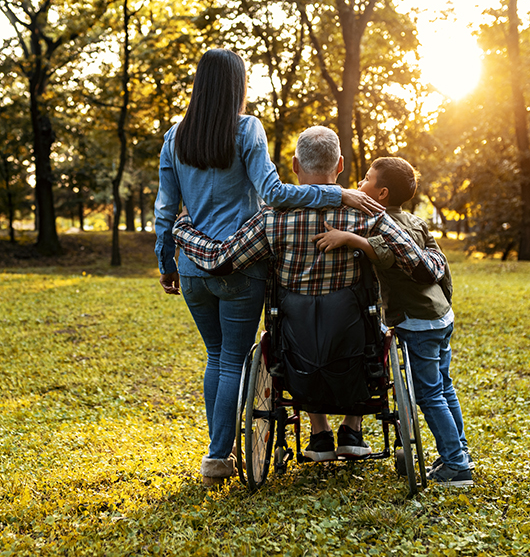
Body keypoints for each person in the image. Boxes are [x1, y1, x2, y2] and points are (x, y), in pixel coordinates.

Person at [153, 50, 382, 488]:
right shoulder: (245, 129)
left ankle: (218, 453)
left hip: (194, 265)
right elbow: (274, 193)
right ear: (237, 85)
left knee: (216, 357)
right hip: (241, 263)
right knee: (232, 360)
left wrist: (167, 263)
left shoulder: (174, 137)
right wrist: (337, 196)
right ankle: (219, 455)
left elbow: (166, 211)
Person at [171, 126, 447, 463]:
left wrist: (182, 229)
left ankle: (319, 433)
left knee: (298, 326)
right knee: (358, 318)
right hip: (355, 349)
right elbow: (420, 267)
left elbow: (218, 261)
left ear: (295, 166)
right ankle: (351, 427)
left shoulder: (272, 218)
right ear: (341, 165)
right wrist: (437, 258)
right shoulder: (368, 214)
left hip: (295, 354)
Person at [315, 156, 472, 487]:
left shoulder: (383, 226)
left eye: (366, 178)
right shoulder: (415, 222)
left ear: (381, 193)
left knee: (430, 395)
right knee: (444, 387)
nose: (360, 182)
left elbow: (383, 253)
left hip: (417, 321)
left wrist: (347, 238)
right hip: (441, 314)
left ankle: (456, 466)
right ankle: (459, 454)